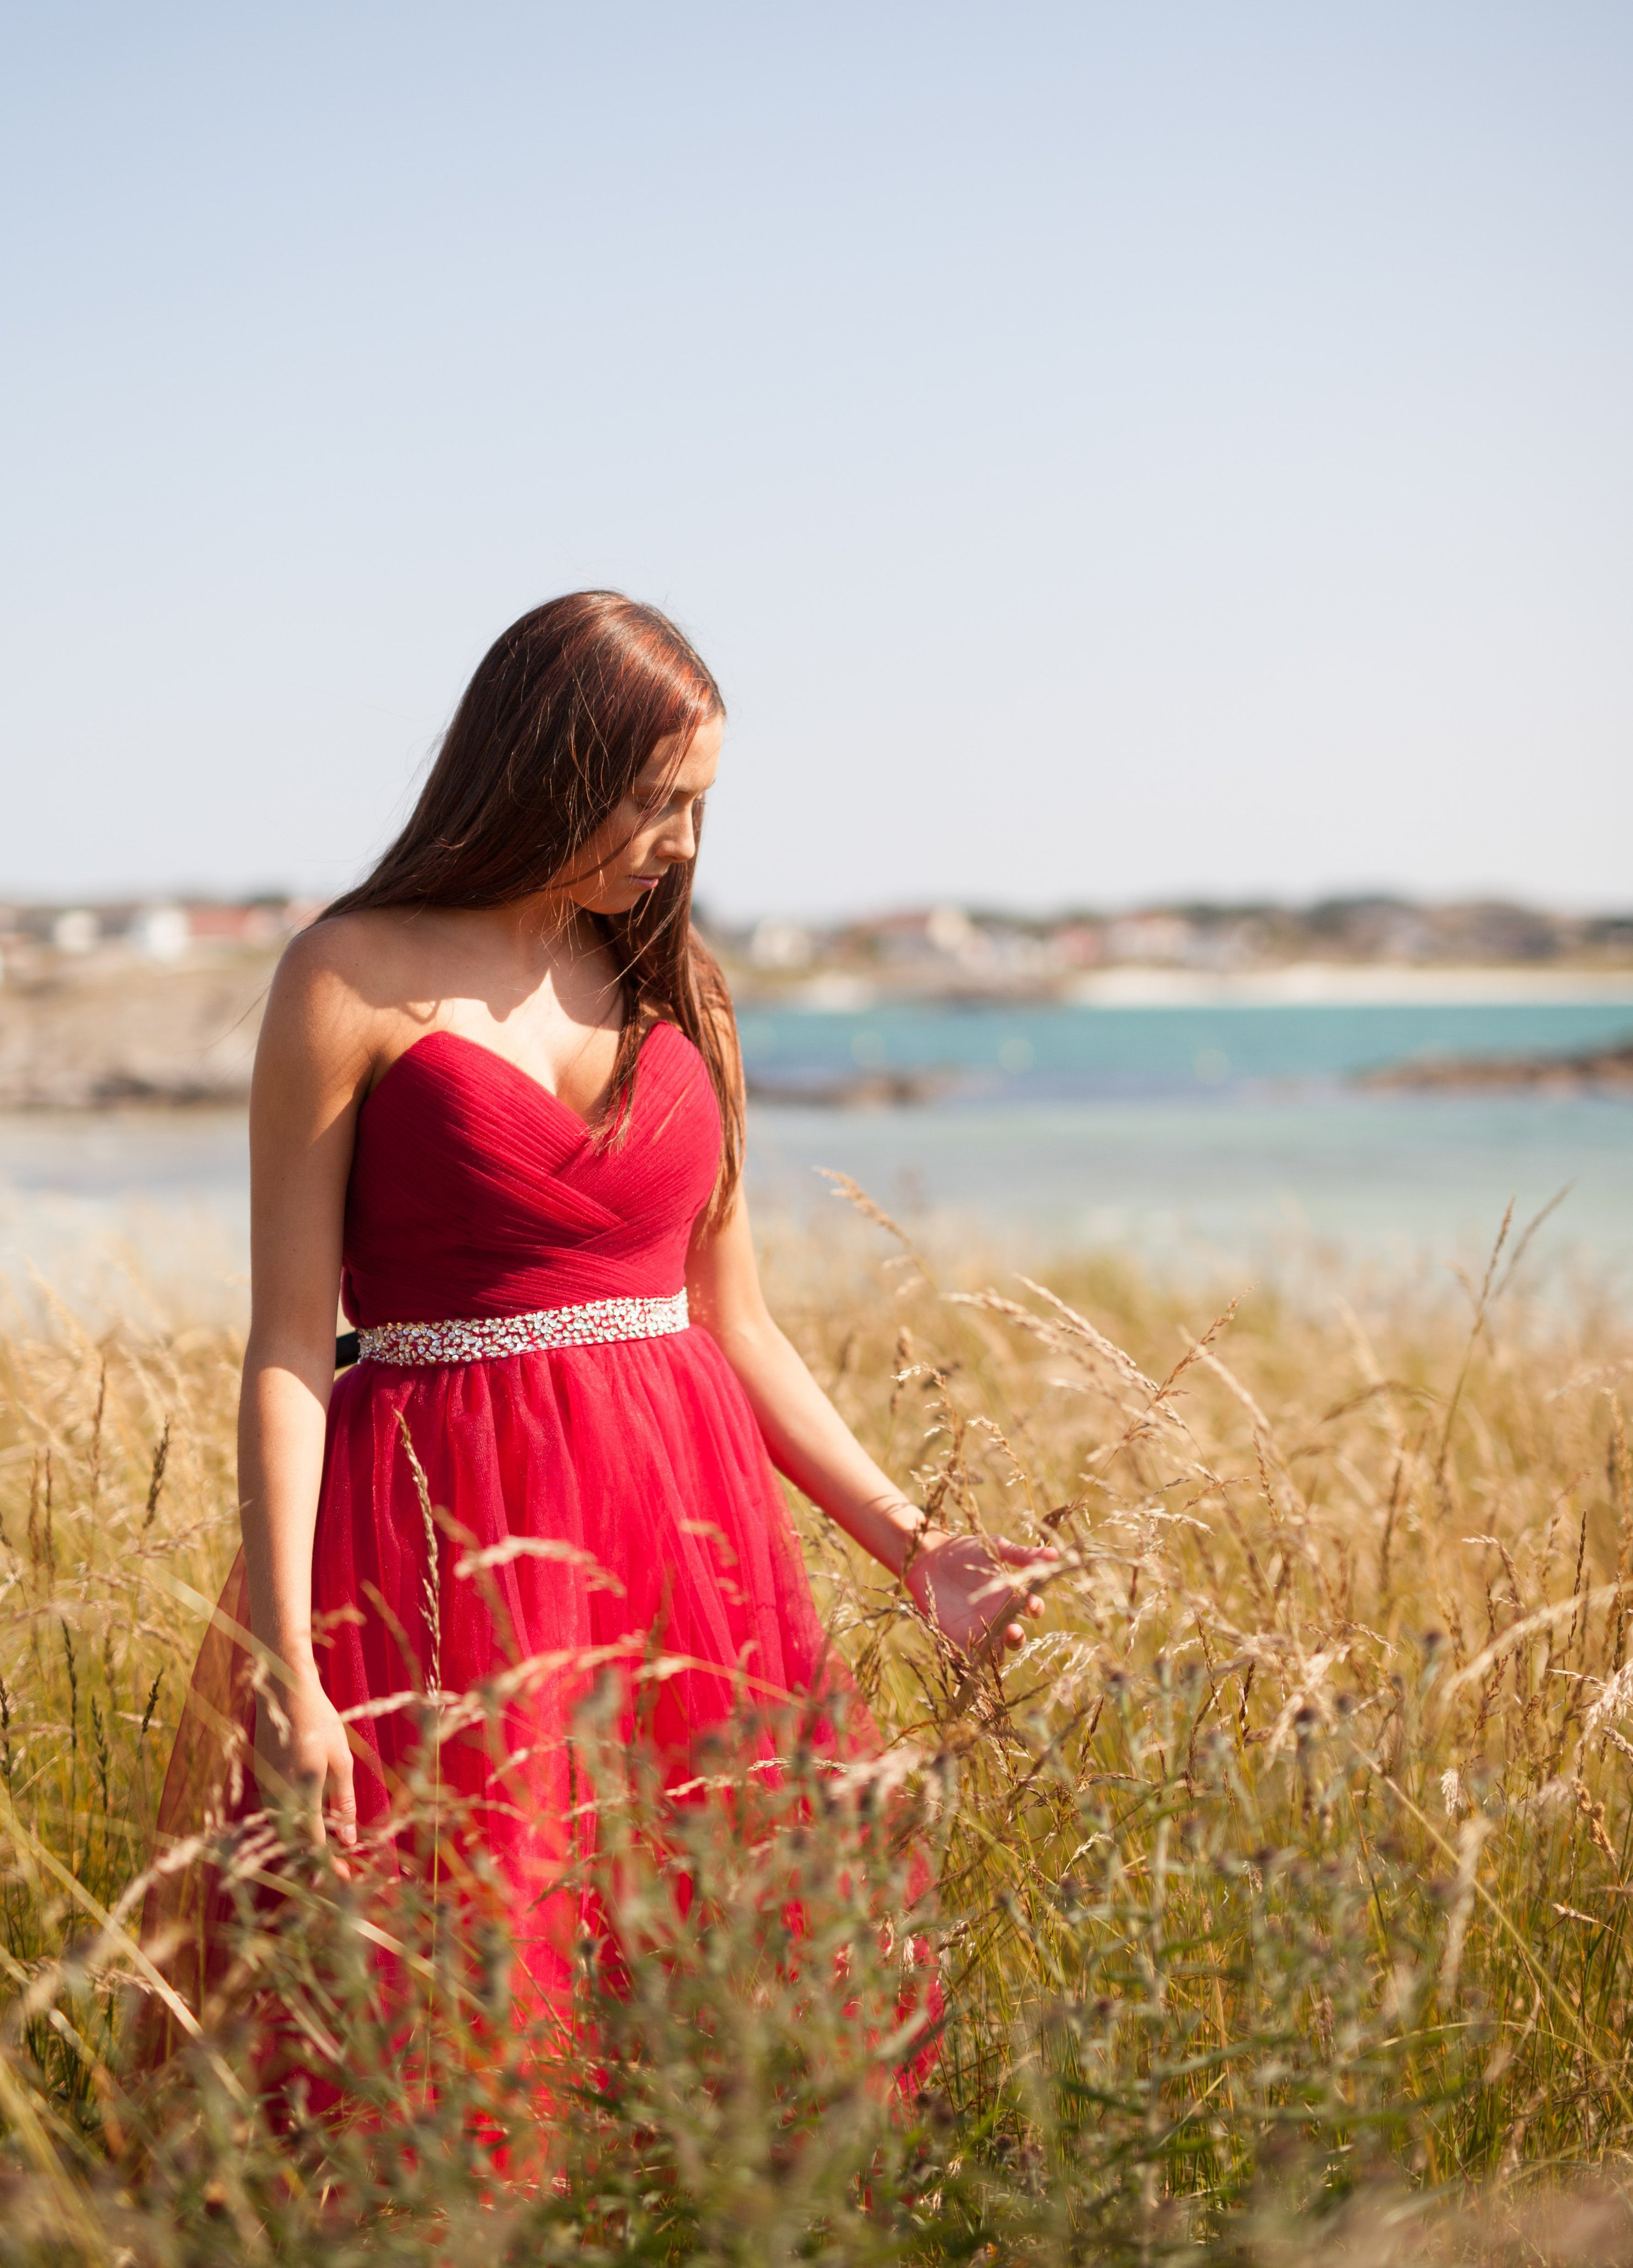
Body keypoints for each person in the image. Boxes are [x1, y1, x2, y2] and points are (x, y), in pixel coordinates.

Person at [148, 590, 1052, 2059]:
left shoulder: (679, 985)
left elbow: (734, 1321)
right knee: (455, 1977)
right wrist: (291, 1673)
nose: (680, 843)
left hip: (684, 1546)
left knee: (708, 1971)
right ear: (543, 764)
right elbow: (286, 1346)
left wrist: (914, 1543)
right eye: (651, 800)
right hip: (438, 1547)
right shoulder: (346, 975)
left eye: (697, 804)